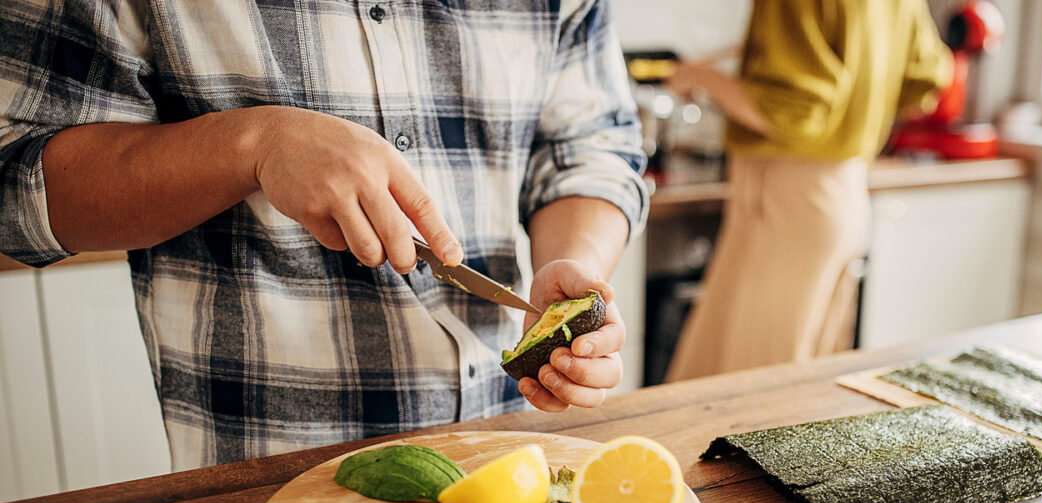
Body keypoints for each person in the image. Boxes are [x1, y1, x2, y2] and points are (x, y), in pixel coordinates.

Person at [0, 0, 647, 470]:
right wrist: (252, 144)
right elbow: (17, 182)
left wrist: (572, 268)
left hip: (507, 453)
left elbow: (591, 147)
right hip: (265, 480)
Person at [663, 0, 952, 381]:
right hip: (847, 194)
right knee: (803, 386)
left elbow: (793, 113)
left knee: (744, 393)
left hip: (789, 203)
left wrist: (698, 78)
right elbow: (927, 79)